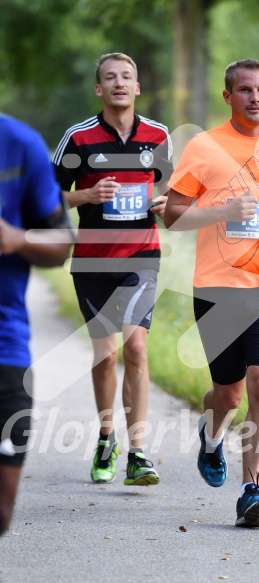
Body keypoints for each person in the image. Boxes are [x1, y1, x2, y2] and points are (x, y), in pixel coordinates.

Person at [164, 59, 259, 527]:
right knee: (227, 396)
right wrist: (223, 210)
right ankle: (211, 437)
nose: (255, 96)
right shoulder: (204, 147)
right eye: (245, 89)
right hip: (217, 289)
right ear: (228, 96)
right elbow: (171, 214)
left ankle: (252, 491)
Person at [52, 53, 174, 486]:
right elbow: (46, 197)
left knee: (137, 350)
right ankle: (107, 439)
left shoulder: (157, 135)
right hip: (93, 262)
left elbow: (170, 195)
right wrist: (85, 197)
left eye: (127, 77)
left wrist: (164, 204)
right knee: (106, 356)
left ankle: (138, 452)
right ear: (99, 89)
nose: (119, 83)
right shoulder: (79, 137)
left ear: (137, 87)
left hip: (142, 259)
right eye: (110, 78)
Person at [0, 113, 72, 536]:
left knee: (1, 514)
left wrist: (16, 238)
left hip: (5, 348)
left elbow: (62, 244)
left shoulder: (21, 144)